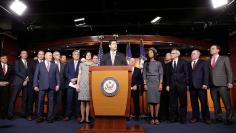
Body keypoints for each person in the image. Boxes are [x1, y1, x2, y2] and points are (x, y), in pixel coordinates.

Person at [208, 45, 234, 125]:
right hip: (212, 85)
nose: (211, 50)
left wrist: (230, 82)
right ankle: (218, 118)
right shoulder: (209, 60)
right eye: (210, 49)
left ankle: (229, 118)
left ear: (218, 50)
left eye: (213, 48)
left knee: (227, 103)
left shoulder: (224, 58)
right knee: (216, 103)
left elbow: (229, 71)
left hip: (222, 84)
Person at [33, 52, 60, 123]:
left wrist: (58, 85)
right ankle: (40, 117)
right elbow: (36, 75)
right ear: (45, 56)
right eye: (50, 55)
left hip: (52, 86)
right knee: (40, 102)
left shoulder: (55, 65)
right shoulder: (39, 64)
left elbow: (57, 76)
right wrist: (35, 85)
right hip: (42, 86)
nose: (51, 57)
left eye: (51, 55)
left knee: (51, 103)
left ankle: (50, 118)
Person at [166, 49, 189, 124]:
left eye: (172, 53)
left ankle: (183, 119)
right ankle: (173, 118)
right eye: (171, 53)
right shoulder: (169, 64)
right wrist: (167, 85)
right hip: (172, 86)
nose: (171, 54)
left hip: (182, 85)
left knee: (183, 102)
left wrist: (186, 84)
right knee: (173, 102)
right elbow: (168, 76)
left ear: (177, 54)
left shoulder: (184, 62)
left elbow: (187, 74)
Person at [189, 50, 211, 124]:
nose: (192, 54)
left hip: (201, 86)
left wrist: (205, 83)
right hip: (192, 87)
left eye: (194, 53)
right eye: (192, 53)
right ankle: (195, 117)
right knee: (194, 103)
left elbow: (206, 73)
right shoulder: (189, 63)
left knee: (204, 103)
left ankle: (206, 118)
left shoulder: (203, 62)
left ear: (198, 55)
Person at [143, 47, 163, 125]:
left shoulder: (158, 63)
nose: (149, 53)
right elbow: (144, 74)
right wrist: (145, 84)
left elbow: (161, 74)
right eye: (149, 52)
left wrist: (161, 84)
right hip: (149, 82)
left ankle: (156, 117)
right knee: (150, 101)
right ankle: (152, 117)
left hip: (157, 82)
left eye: (151, 52)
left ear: (154, 53)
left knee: (157, 101)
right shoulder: (146, 63)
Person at [8, 50, 30, 120]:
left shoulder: (28, 62)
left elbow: (29, 72)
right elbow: (17, 71)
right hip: (17, 82)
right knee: (13, 99)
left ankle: (23, 113)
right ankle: (10, 114)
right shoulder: (17, 61)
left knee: (25, 99)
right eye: (23, 53)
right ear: (20, 54)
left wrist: (26, 80)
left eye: (26, 53)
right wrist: (25, 78)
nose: (25, 54)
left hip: (26, 83)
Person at [76, 51, 97, 123]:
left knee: (88, 102)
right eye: (87, 55)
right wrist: (77, 84)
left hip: (90, 85)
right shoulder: (81, 64)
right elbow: (79, 74)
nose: (88, 56)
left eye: (89, 55)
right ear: (85, 56)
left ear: (91, 56)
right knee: (82, 102)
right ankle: (82, 118)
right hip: (82, 84)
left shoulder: (94, 65)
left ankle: (87, 118)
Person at [27, 50, 45, 121]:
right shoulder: (32, 62)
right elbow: (29, 72)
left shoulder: (45, 63)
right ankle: (29, 115)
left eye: (42, 54)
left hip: (42, 85)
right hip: (33, 84)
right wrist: (36, 81)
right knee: (31, 100)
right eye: (39, 54)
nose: (41, 55)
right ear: (37, 55)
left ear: (44, 55)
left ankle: (38, 115)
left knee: (39, 101)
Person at [64, 50, 81, 121]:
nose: (76, 55)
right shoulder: (68, 63)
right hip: (70, 85)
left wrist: (76, 79)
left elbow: (83, 73)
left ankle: (78, 116)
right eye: (75, 54)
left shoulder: (82, 63)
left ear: (79, 56)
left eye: (78, 54)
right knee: (69, 100)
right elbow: (66, 72)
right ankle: (67, 115)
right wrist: (71, 79)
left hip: (78, 84)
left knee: (77, 101)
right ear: (72, 55)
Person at [53, 51, 66, 120]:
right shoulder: (51, 64)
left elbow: (64, 75)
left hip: (61, 86)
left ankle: (57, 115)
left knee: (59, 101)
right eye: (57, 55)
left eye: (59, 54)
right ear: (54, 56)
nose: (59, 56)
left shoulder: (63, 64)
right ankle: (52, 114)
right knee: (52, 101)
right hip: (52, 86)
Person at [158, 53, 171, 121]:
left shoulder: (172, 63)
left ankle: (169, 116)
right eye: (166, 55)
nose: (167, 56)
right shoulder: (161, 63)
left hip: (170, 85)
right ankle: (162, 117)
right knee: (162, 101)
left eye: (169, 55)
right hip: (162, 84)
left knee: (169, 101)